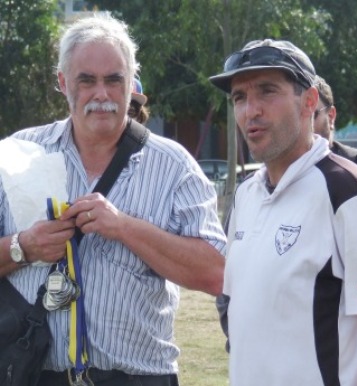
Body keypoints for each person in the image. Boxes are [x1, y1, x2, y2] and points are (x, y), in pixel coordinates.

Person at [0, 13, 226, 386]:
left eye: (113, 80)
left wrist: (125, 227)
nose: (101, 94)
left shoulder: (173, 165)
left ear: (131, 83)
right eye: (86, 80)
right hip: (34, 373)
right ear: (63, 83)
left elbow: (217, 273)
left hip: (139, 377)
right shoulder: (16, 154)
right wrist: (24, 246)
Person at [209, 38, 357, 386]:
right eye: (239, 97)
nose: (250, 110)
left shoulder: (347, 192)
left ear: (309, 101)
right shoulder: (245, 195)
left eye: (267, 91)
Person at [314, 75, 357, 180]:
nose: (300, 124)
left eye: (310, 115)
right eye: (294, 116)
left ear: (331, 116)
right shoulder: (279, 174)